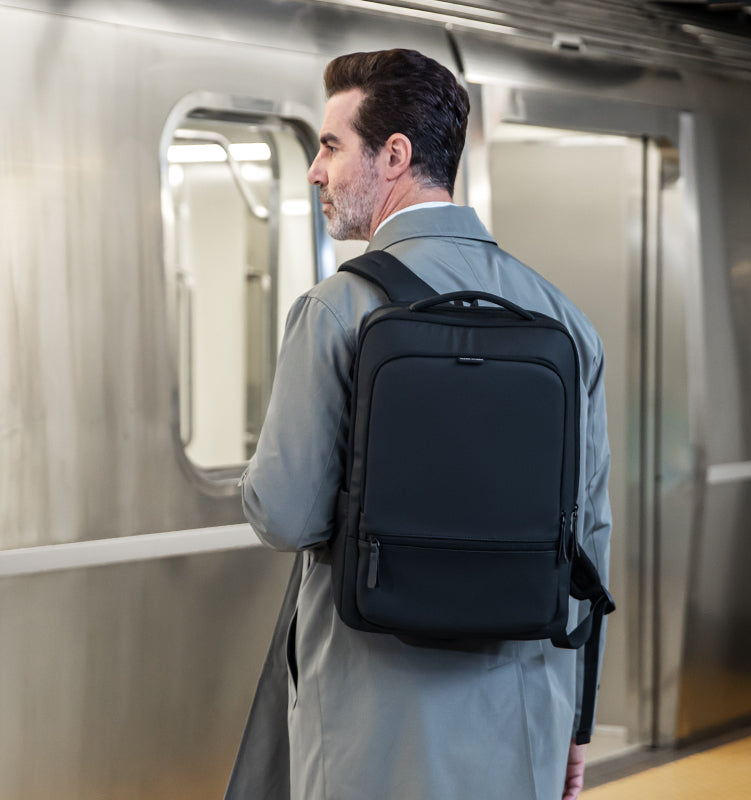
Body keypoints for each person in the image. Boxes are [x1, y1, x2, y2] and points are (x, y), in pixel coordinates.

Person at [237, 49, 611, 800]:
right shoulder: (564, 321)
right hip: (523, 711)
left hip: (368, 721)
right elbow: (589, 543)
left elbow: (283, 514)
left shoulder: (336, 310)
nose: (315, 170)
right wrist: (575, 722)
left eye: (332, 146)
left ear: (395, 156)